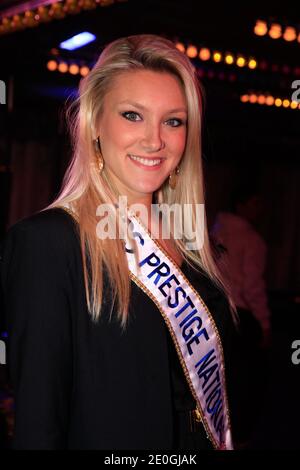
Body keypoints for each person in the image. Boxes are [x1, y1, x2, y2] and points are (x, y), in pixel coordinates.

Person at [0, 34, 239, 450]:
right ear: (95, 122)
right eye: (132, 115)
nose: (155, 140)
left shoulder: (197, 247)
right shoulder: (49, 245)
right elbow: (39, 423)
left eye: (173, 121)